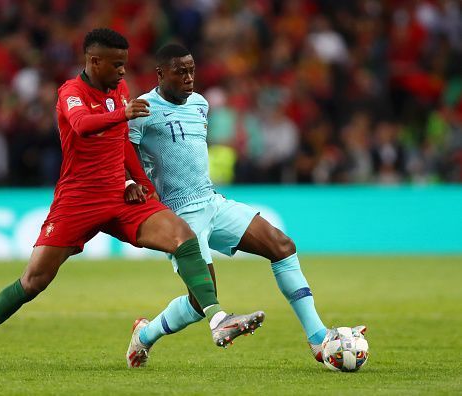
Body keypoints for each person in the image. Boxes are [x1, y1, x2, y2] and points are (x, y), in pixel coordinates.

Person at [0, 29, 264, 372]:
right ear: (93, 61)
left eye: (124, 65)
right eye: (116, 65)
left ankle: (218, 320)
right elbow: (82, 125)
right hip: (78, 200)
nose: (123, 72)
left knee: (182, 237)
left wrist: (139, 181)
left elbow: (122, 143)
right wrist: (123, 114)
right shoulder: (72, 93)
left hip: (120, 195)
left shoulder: (119, 90)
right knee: (34, 280)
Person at [126, 43, 366, 368]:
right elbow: (124, 157)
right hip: (178, 216)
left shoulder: (200, 104)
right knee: (201, 301)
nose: (188, 78)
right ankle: (145, 335)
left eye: (192, 70)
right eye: (179, 72)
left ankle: (318, 338)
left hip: (211, 201)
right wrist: (133, 184)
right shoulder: (142, 110)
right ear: (160, 74)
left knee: (282, 245)